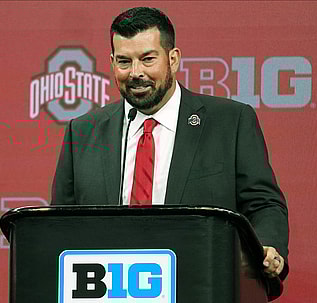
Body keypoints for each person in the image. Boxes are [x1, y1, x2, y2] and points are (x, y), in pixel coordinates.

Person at [51, 6, 289, 281]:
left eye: (148, 59)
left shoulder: (230, 122)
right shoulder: (83, 131)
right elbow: (59, 224)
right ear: (112, 61)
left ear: (173, 59)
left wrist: (267, 245)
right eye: (124, 62)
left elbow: (263, 204)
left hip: (201, 282)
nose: (136, 73)